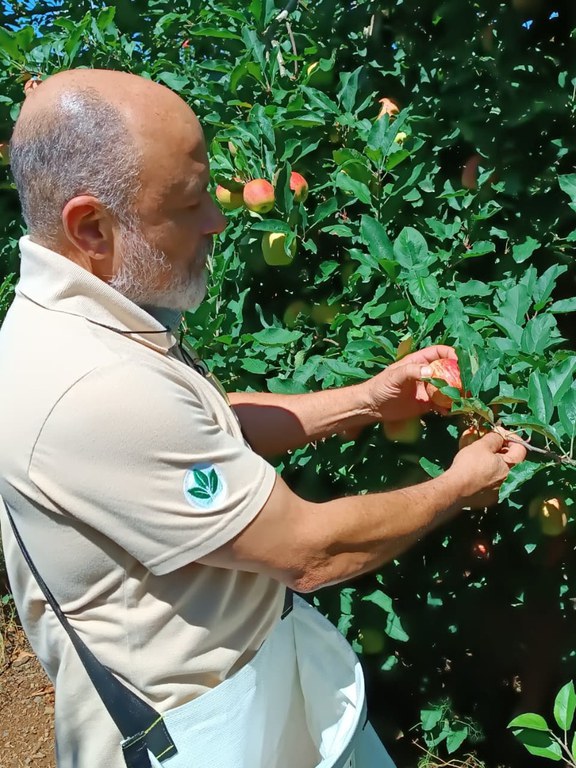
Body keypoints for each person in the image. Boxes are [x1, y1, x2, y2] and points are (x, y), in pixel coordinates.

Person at [0, 68, 526, 768]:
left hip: (261, 692)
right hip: (213, 733)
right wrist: (459, 485)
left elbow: (204, 424)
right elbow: (310, 551)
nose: (219, 220)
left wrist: (371, 398)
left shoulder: (84, 316)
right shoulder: (94, 384)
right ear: (92, 227)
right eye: (190, 203)